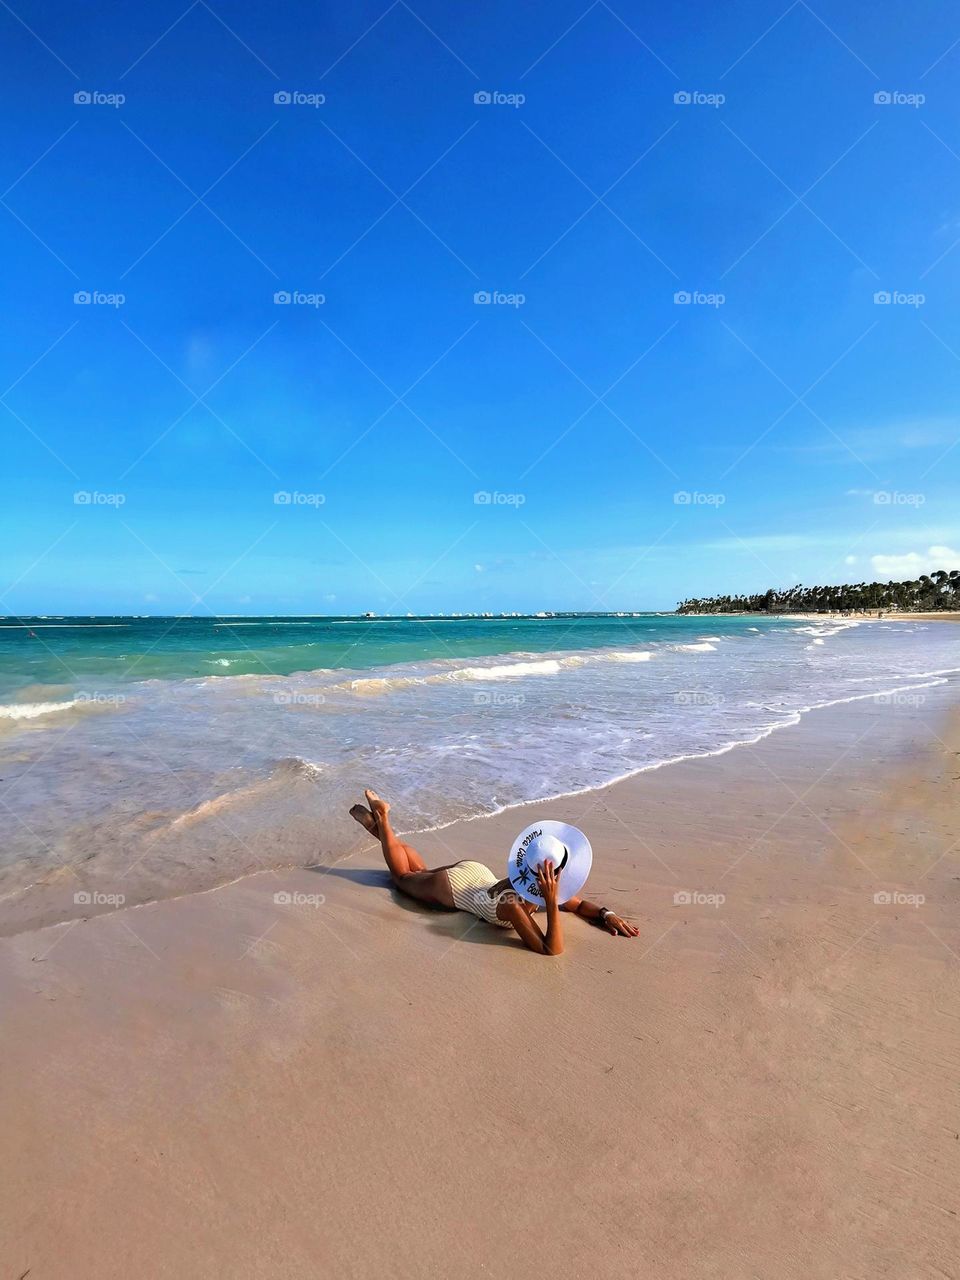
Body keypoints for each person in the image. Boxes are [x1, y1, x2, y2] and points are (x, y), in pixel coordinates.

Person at [350, 790, 639, 956]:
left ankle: (380, 830)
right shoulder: (513, 905)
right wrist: (551, 904)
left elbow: (578, 905)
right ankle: (384, 818)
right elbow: (550, 949)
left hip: (476, 873)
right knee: (403, 879)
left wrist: (606, 914)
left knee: (418, 871)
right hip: (454, 889)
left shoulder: (533, 890)